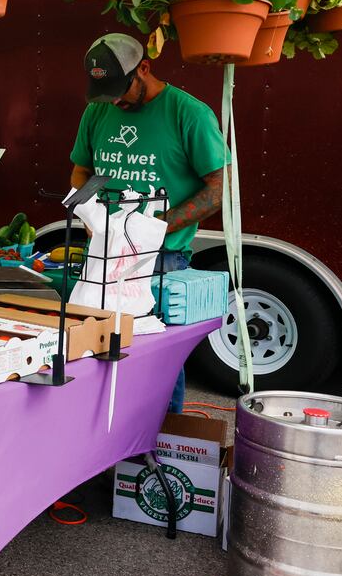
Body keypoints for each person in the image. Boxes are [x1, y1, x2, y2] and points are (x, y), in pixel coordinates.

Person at [69, 33, 226, 413]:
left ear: (144, 68)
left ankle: (160, 449)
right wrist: (91, 212)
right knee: (95, 354)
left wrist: (157, 226)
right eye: (106, 92)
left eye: (121, 90)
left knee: (157, 364)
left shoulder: (189, 113)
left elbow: (220, 189)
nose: (116, 101)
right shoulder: (97, 112)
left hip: (162, 261)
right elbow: (80, 171)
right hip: (102, 257)